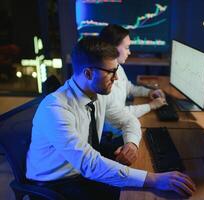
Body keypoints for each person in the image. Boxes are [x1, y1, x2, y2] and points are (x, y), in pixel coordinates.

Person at [26, 37, 195, 199]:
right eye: (111, 72)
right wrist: (154, 179)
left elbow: (129, 120)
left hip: (84, 166)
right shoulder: (55, 109)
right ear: (88, 73)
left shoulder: (98, 93)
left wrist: (131, 144)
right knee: (139, 194)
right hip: (57, 182)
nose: (117, 77)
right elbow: (89, 165)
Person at [99, 24, 167, 118]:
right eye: (127, 48)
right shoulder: (102, 80)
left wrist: (149, 92)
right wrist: (151, 106)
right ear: (112, 48)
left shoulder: (118, 67)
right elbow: (119, 114)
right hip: (113, 129)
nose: (129, 52)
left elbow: (129, 88)